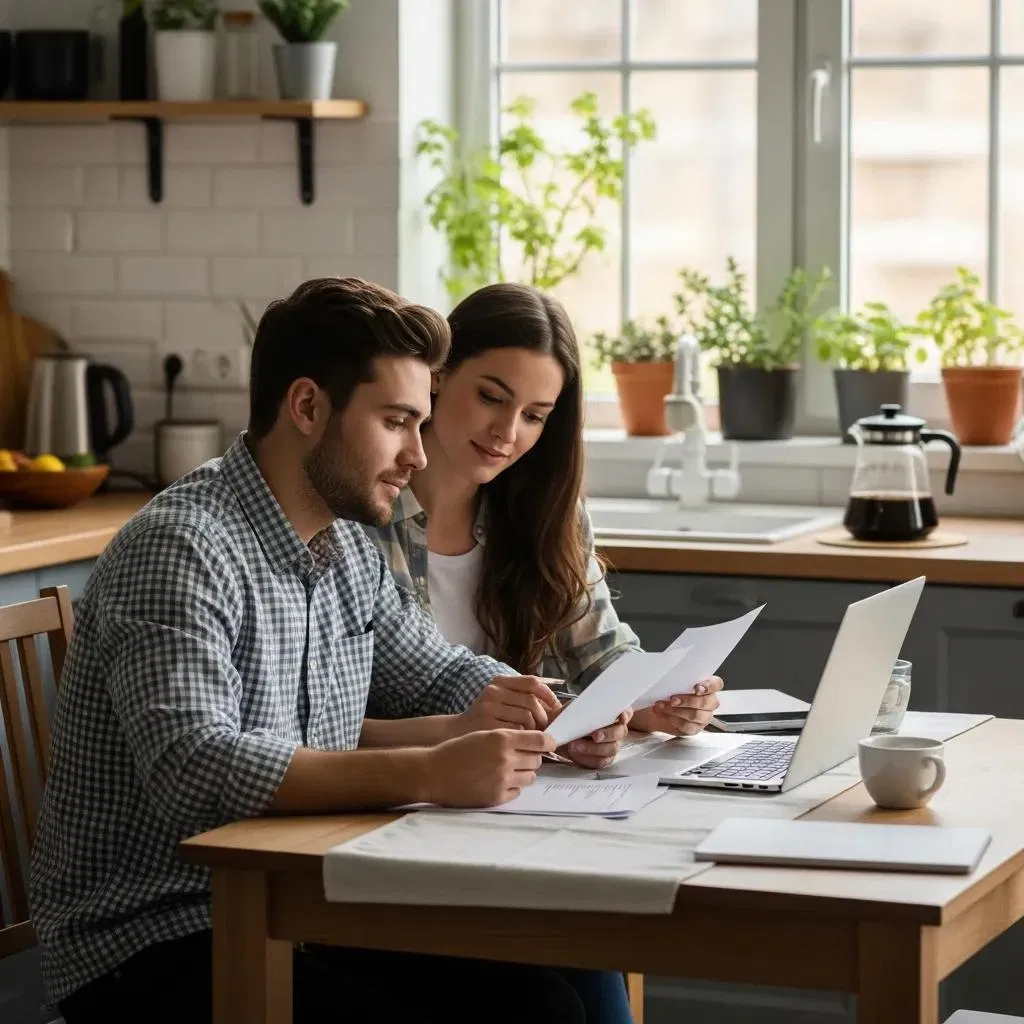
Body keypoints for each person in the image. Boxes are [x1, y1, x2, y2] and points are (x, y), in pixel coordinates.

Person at [29, 277, 630, 1024]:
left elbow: (437, 672)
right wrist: (430, 771)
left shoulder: (343, 544)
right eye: (396, 422)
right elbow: (194, 767)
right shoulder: (183, 546)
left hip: (301, 899)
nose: (416, 454)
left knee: (542, 1002)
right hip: (158, 933)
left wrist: (551, 712)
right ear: (308, 407)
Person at [362, 281, 725, 1024]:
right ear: (435, 379)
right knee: (557, 995)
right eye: (492, 398)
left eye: (535, 415)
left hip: (513, 828)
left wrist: (653, 701)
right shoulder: (366, 511)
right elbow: (334, 709)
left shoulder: (542, 512)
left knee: (589, 971)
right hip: (391, 831)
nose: (509, 432)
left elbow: (605, 661)